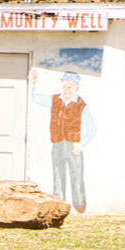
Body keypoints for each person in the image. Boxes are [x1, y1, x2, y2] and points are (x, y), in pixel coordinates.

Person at [49, 70, 94, 213]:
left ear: (76, 88)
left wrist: (81, 144)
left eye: (69, 87)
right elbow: (36, 98)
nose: (66, 90)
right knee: (57, 172)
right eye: (64, 86)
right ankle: (58, 201)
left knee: (76, 174)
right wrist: (34, 85)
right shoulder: (55, 100)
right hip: (57, 142)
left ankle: (79, 204)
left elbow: (92, 128)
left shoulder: (81, 104)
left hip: (73, 144)